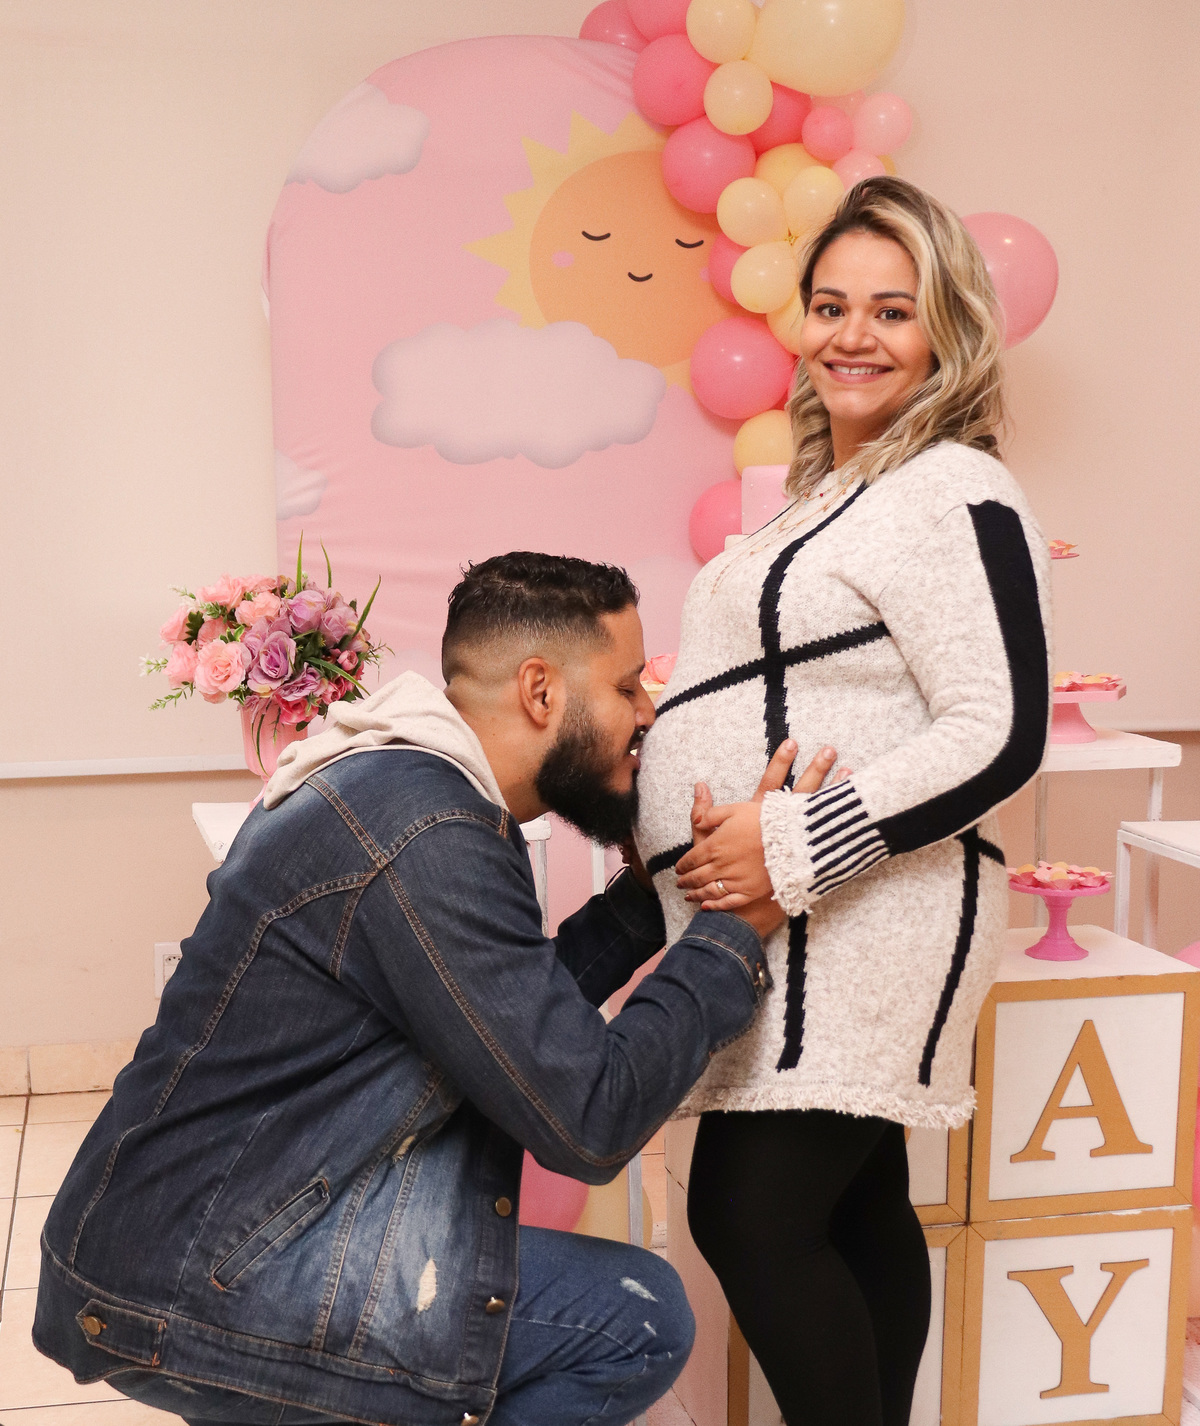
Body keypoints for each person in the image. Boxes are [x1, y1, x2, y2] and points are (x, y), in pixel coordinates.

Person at [34, 551, 836, 1426]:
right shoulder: (429, 833)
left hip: (176, 1241)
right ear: (541, 692)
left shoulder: (401, 784)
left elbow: (504, 1025)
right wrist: (732, 929)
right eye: (625, 687)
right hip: (193, 1278)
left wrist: (645, 902)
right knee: (634, 1320)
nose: (647, 711)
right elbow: (590, 1118)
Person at [634, 177, 1053, 1426]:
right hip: (797, 920)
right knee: (853, 1205)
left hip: (869, 916)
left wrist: (788, 845)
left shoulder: (952, 489)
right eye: (829, 306)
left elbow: (998, 727)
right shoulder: (835, 492)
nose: (851, 335)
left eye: (892, 309)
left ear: (947, 331)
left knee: (749, 1212)